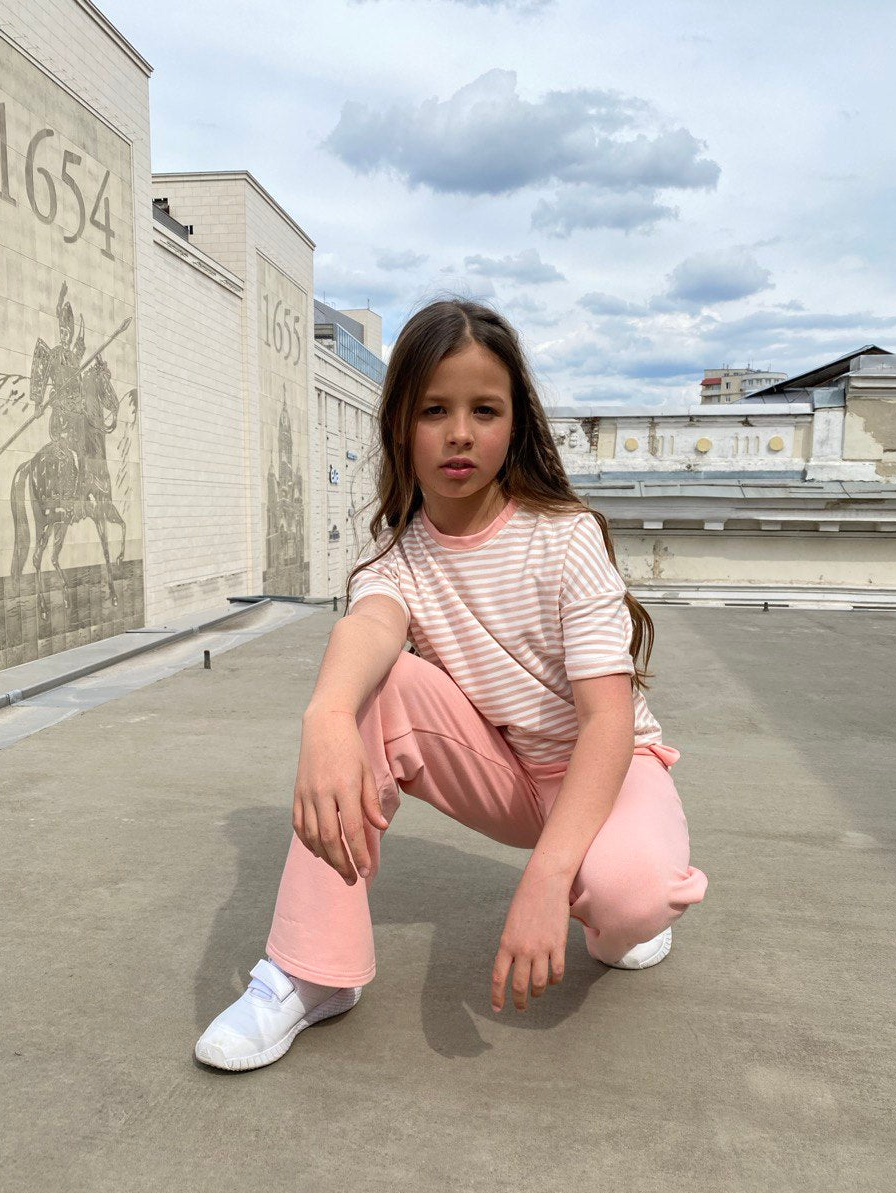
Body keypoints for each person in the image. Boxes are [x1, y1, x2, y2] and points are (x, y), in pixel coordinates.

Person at [195, 297, 708, 1072]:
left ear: (515, 425)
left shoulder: (565, 537)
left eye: (484, 409)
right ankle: (312, 971)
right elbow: (369, 628)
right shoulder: (395, 559)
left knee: (629, 897)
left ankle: (614, 908)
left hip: (609, 772)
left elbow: (607, 723)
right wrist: (326, 717)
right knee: (371, 688)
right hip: (504, 776)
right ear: (400, 423)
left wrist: (545, 879)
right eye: (435, 409)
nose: (460, 432)